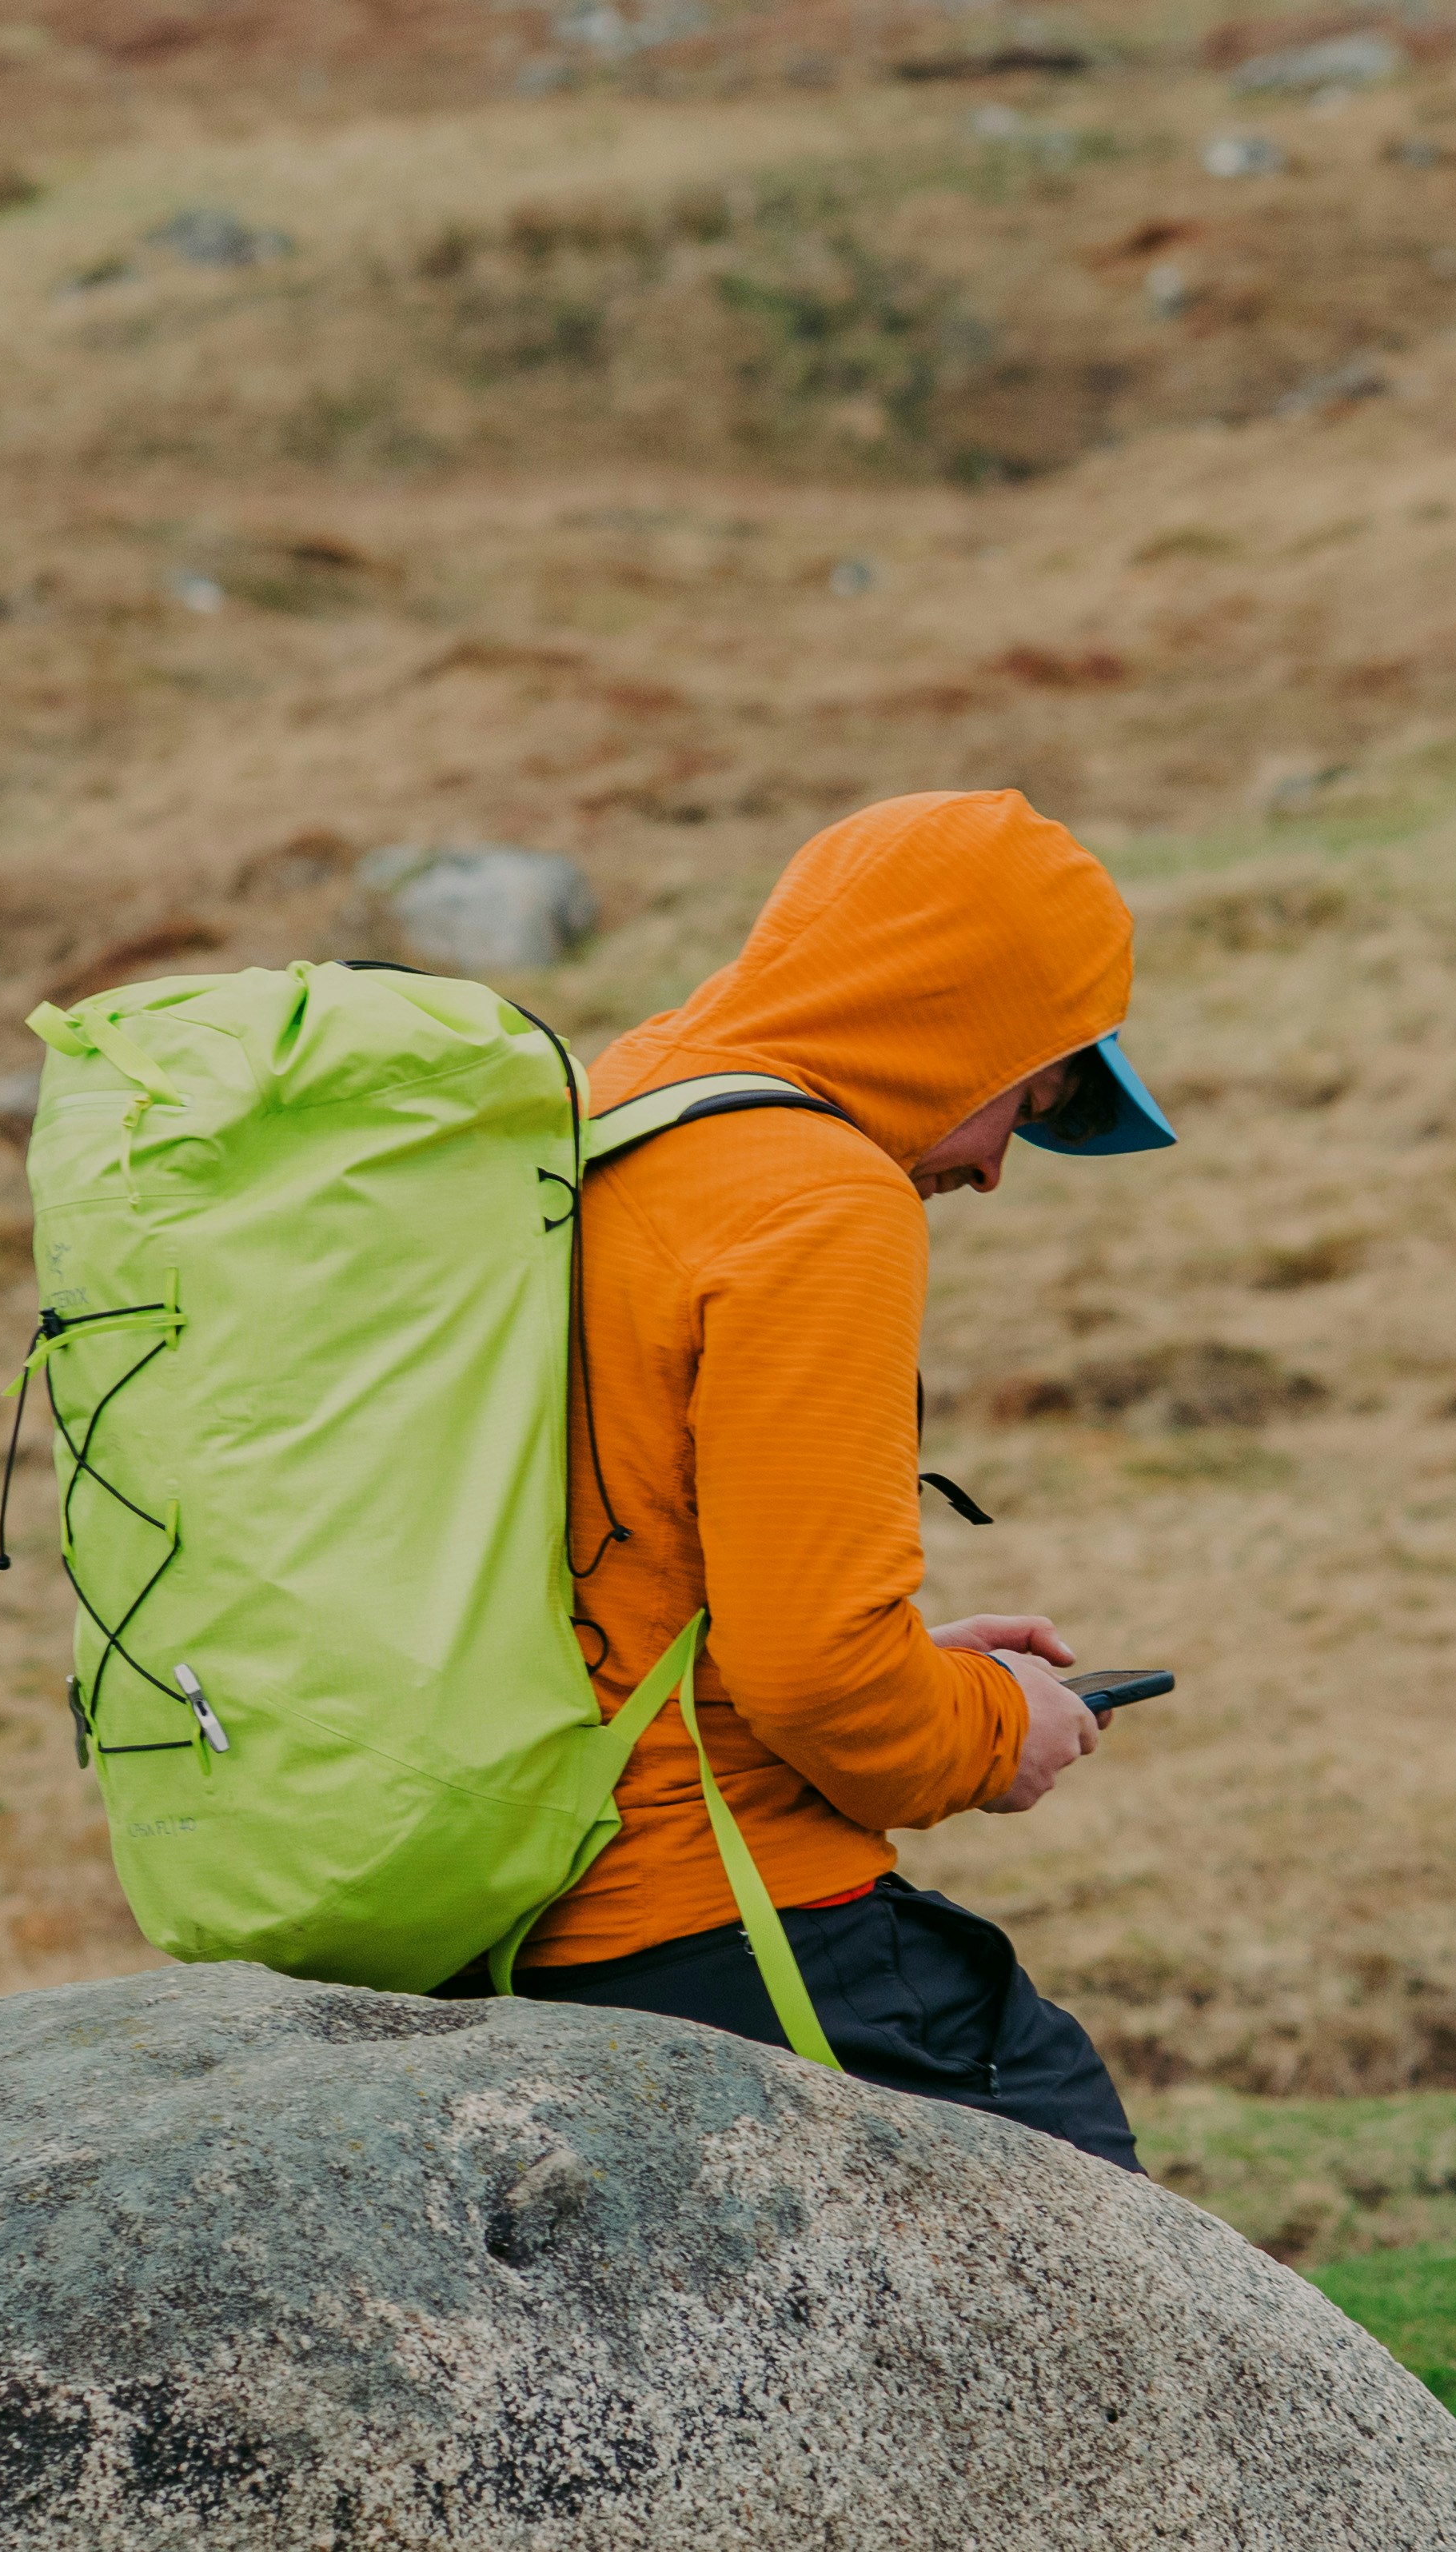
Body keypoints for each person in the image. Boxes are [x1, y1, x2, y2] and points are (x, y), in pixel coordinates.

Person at [449, 789, 1176, 2171]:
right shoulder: (817, 1194)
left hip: (493, 1904)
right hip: (706, 1922)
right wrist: (989, 1729)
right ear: (960, 1021)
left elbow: (618, 1557)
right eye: (1029, 1098)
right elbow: (827, 1691)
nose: (994, 1168)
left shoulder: (612, 1113)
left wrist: (925, 1662)